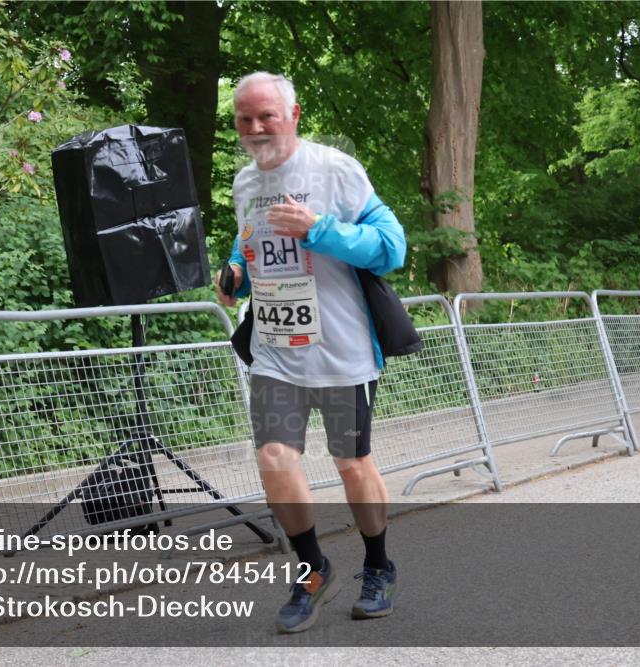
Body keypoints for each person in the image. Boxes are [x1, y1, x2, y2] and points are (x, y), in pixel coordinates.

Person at [215, 71, 405, 633]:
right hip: (276, 352)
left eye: (266, 116)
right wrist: (235, 277)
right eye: (244, 119)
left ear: (293, 115)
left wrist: (320, 228)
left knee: (351, 463)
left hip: (342, 353)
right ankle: (313, 570)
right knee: (274, 460)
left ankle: (378, 566)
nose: (255, 128)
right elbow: (248, 247)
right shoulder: (245, 183)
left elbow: (391, 249)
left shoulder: (334, 170)